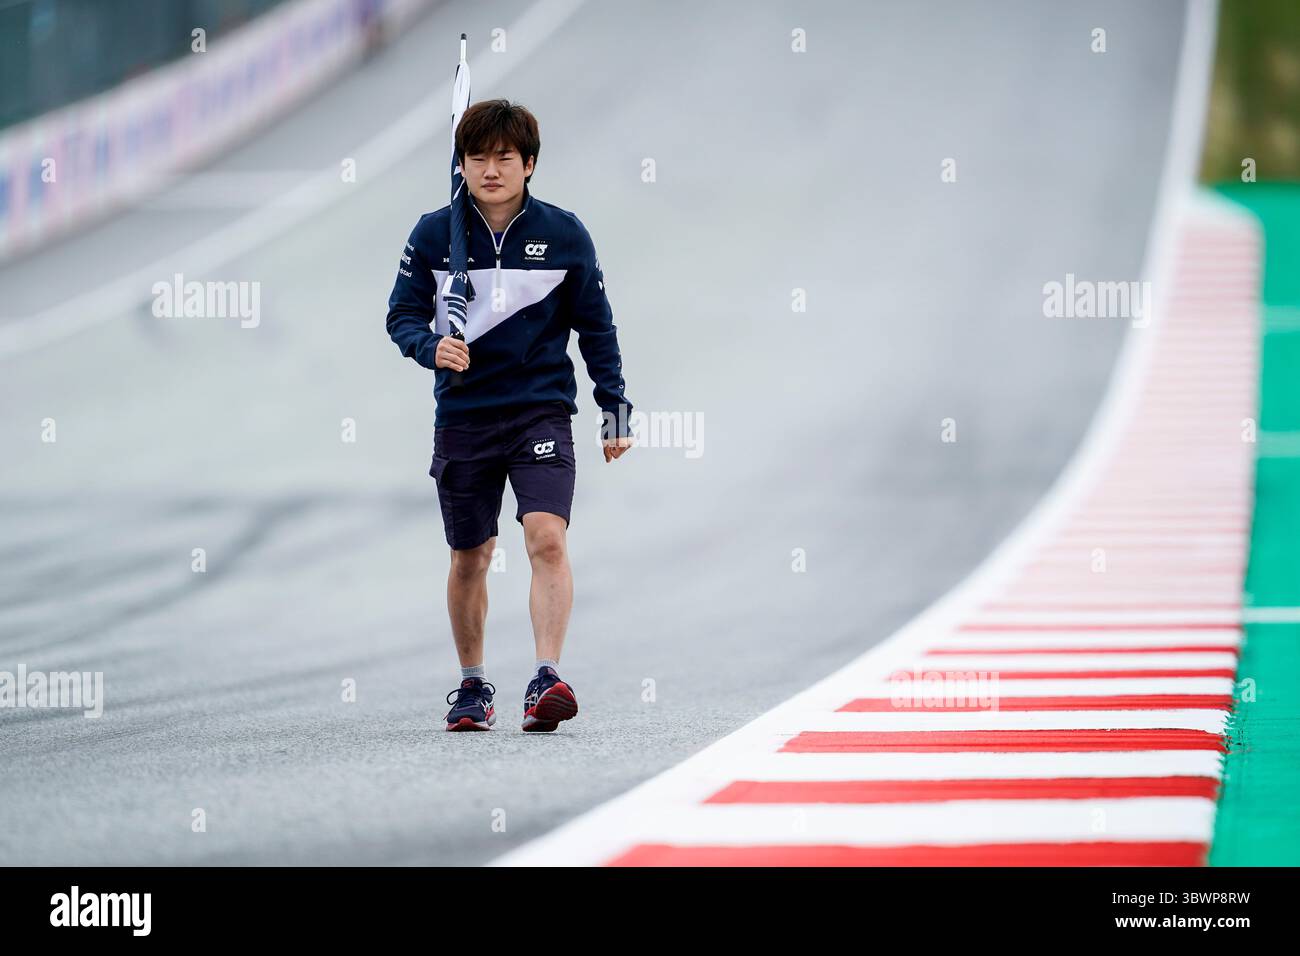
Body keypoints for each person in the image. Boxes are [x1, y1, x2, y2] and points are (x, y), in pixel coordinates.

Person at [385, 99, 634, 732]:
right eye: (477, 158)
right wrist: (429, 346)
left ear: (528, 164)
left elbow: (595, 326)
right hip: (464, 415)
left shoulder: (566, 234)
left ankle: (547, 676)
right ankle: (472, 687)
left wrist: (614, 407)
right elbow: (401, 316)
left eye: (504, 158)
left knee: (546, 536)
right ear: (461, 165)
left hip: (540, 412)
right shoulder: (433, 234)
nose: (490, 170)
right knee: (471, 555)